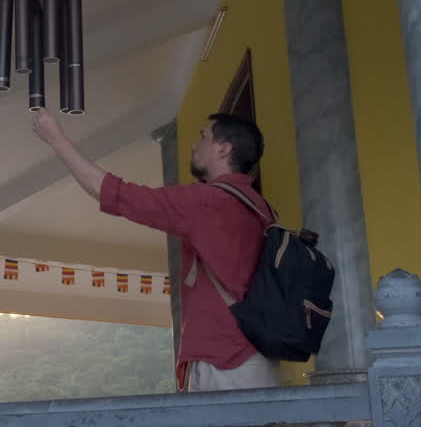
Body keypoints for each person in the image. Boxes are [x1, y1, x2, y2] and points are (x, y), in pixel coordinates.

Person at [31, 107, 279, 392]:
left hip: (226, 360)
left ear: (223, 149)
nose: (194, 144)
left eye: (203, 137)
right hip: (257, 358)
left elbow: (113, 193)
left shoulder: (208, 202)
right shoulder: (263, 209)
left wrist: (57, 139)